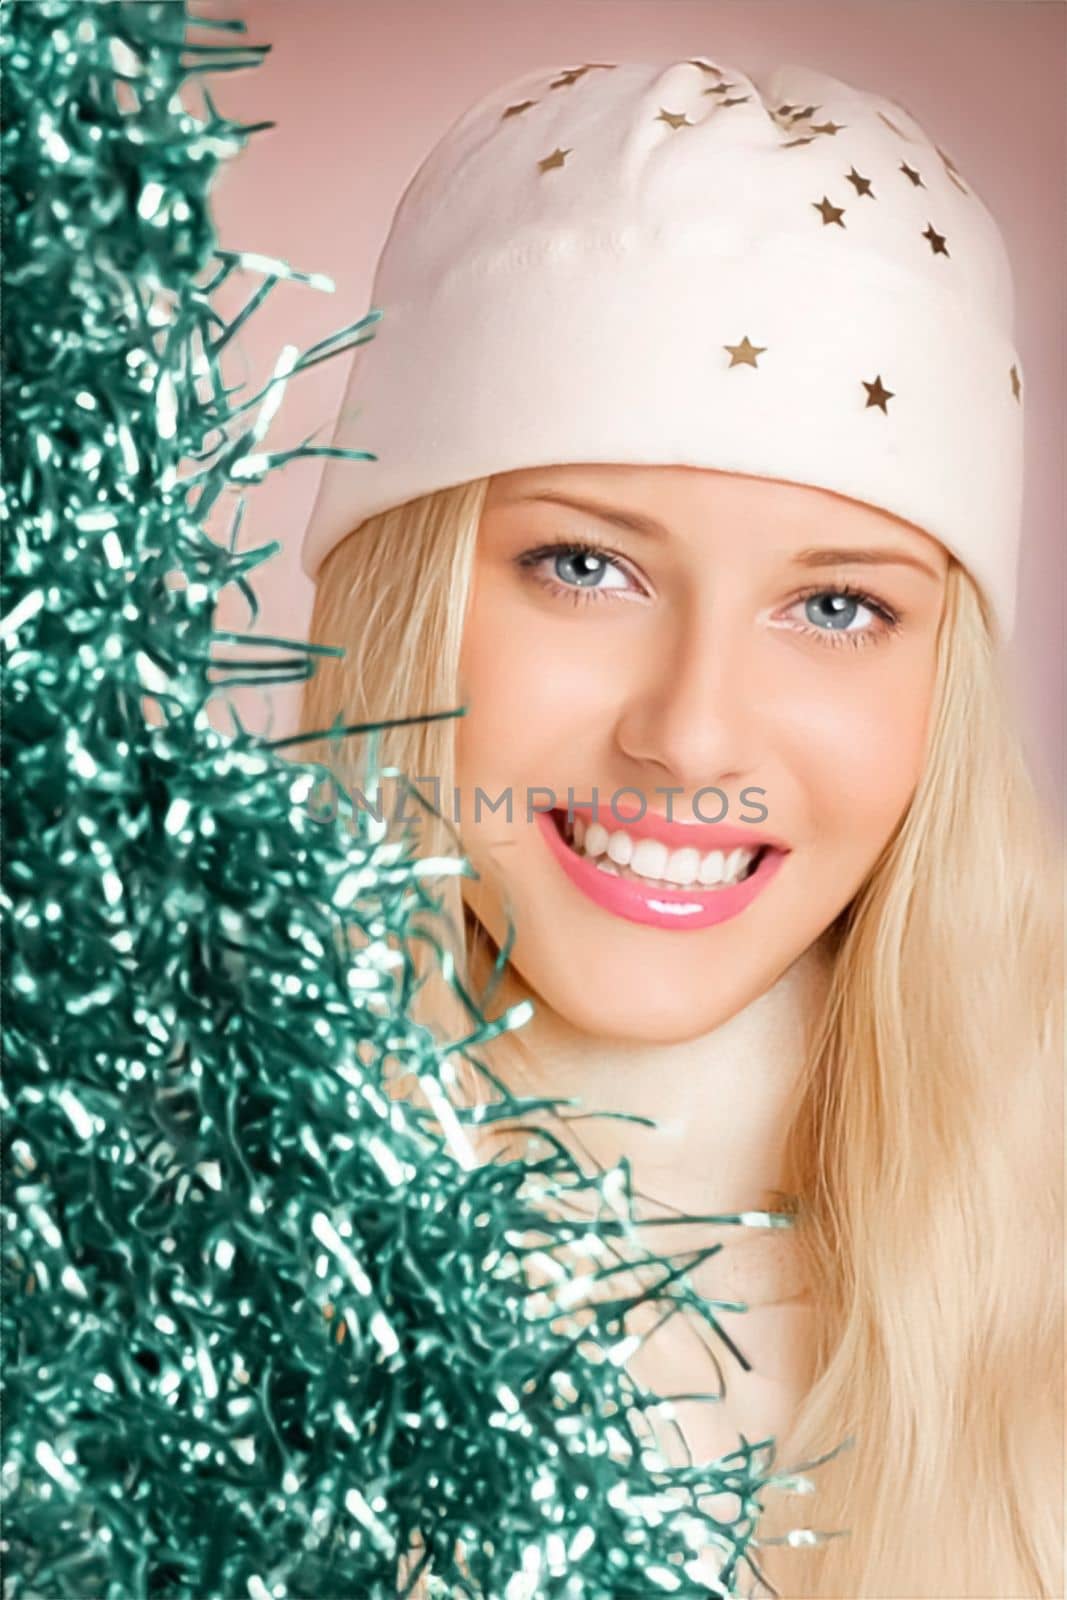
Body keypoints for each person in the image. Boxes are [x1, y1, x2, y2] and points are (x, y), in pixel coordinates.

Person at [296, 54, 1063, 1599]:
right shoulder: (96, 1248)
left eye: (838, 604)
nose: (693, 733)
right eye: (585, 566)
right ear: (402, 592)